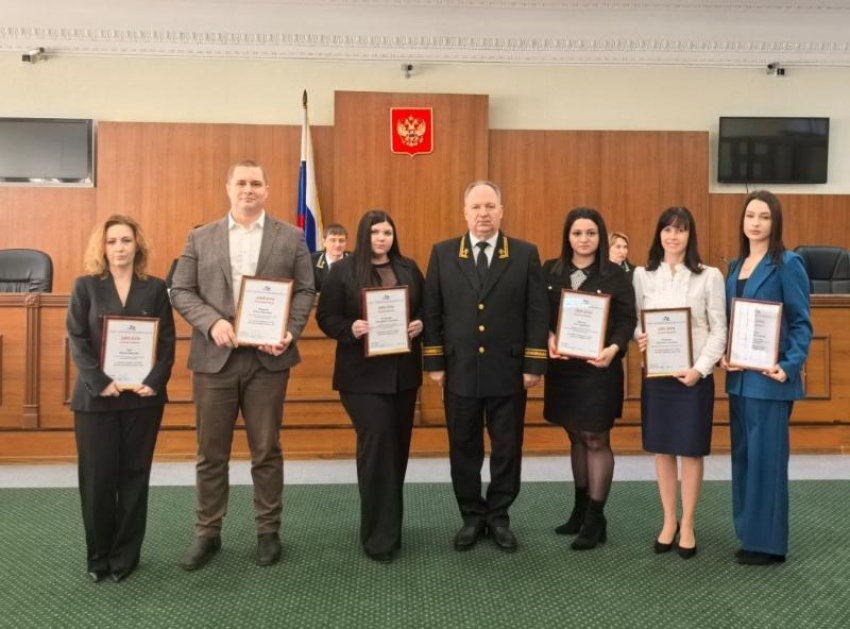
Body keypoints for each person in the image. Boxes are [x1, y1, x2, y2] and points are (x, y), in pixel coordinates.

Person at [170, 160, 316, 570]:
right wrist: (211, 322)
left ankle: (268, 531)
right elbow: (180, 289)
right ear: (228, 188)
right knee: (210, 453)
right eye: (241, 183)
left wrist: (289, 330)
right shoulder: (200, 237)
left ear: (267, 190)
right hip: (214, 361)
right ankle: (207, 533)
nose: (248, 189)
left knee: (266, 450)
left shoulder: (291, 237)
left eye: (256, 183)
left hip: (268, 361)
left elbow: (306, 290)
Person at [422, 180, 548, 553]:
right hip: (459, 370)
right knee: (463, 446)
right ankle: (472, 516)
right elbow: (432, 310)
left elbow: (537, 312)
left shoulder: (524, 254)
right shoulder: (443, 253)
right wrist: (434, 361)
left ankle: (499, 515)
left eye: (490, 206)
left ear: (501, 211)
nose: (483, 214)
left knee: (507, 448)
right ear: (465, 212)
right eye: (476, 207)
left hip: (508, 370)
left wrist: (534, 363)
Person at [66, 215, 175, 583]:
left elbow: (166, 343)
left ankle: (125, 556)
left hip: (142, 399)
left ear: (137, 246)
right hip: (96, 400)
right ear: (103, 247)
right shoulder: (85, 287)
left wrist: (153, 381)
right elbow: (77, 340)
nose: (119, 248)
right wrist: (101, 381)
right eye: (112, 241)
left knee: (133, 477)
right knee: (97, 480)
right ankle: (98, 556)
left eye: (126, 240)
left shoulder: (156, 288)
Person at [316, 210, 424, 563]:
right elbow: (327, 317)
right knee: (377, 447)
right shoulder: (343, 271)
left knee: (397, 450)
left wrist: (419, 324)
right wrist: (351, 329)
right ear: (364, 235)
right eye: (375, 232)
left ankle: (390, 525)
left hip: (403, 376)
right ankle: (377, 537)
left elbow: (426, 311)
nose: (382, 238)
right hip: (361, 378)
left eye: (387, 232)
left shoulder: (408, 268)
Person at [721, 190, 812, 565]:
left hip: (770, 381)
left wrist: (788, 366)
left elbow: (802, 323)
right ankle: (748, 533)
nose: (755, 223)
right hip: (739, 380)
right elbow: (729, 322)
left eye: (763, 217)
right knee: (743, 458)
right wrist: (726, 355)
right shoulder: (735, 267)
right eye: (750, 216)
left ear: (775, 223)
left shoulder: (788, 263)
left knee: (766, 461)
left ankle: (769, 544)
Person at [633, 207, 727, 559]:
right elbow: (636, 322)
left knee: (690, 450)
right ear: (659, 234)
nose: (673, 236)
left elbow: (719, 328)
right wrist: (641, 336)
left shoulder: (709, 276)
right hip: (658, 376)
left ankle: (688, 523)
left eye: (681, 230)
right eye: (667, 229)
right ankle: (668, 520)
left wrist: (700, 369)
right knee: (662, 449)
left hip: (692, 378)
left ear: (691, 235)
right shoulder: (643, 275)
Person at [544, 207, 636, 550]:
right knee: (575, 436)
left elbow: (627, 319)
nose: (584, 239)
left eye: (591, 233)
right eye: (577, 233)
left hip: (599, 369)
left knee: (596, 438)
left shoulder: (615, 275)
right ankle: (580, 510)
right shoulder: (550, 270)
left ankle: (596, 519)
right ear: (568, 237)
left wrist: (614, 348)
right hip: (564, 368)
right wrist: (549, 336)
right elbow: (539, 313)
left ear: (601, 235)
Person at [311, 223, 349, 292]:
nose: (337, 245)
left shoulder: (355, 261)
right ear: (324, 242)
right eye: (333, 240)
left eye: (341, 240)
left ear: (346, 242)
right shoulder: (312, 262)